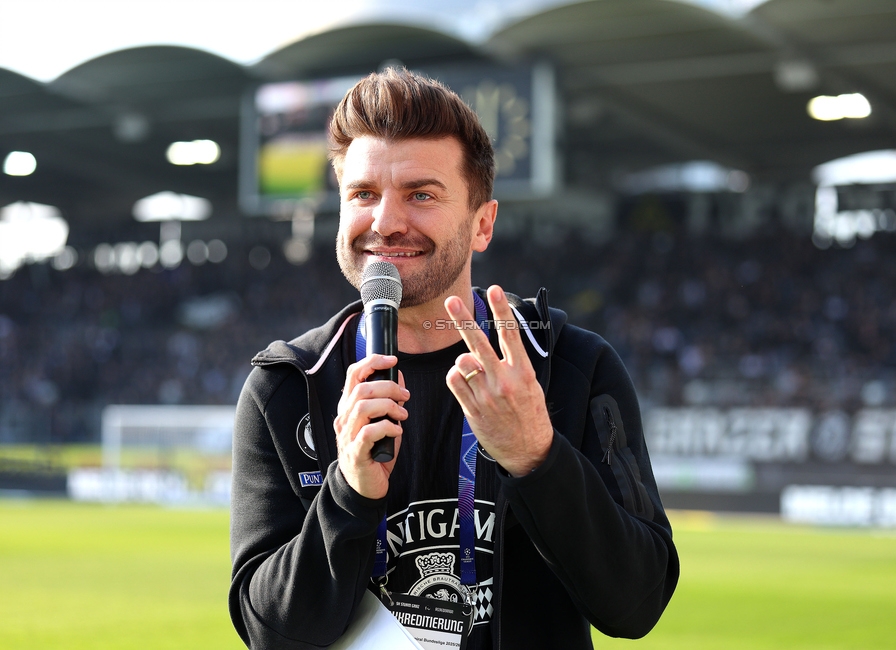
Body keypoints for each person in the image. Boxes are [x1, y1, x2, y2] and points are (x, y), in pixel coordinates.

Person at [229, 67, 678, 650]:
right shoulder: (287, 388)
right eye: (362, 194)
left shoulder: (571, 368)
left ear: (482, 224)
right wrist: (349, 495)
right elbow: (271, 635)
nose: (386, 223)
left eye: (421, 194)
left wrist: (538, 457)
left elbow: (636, 606)